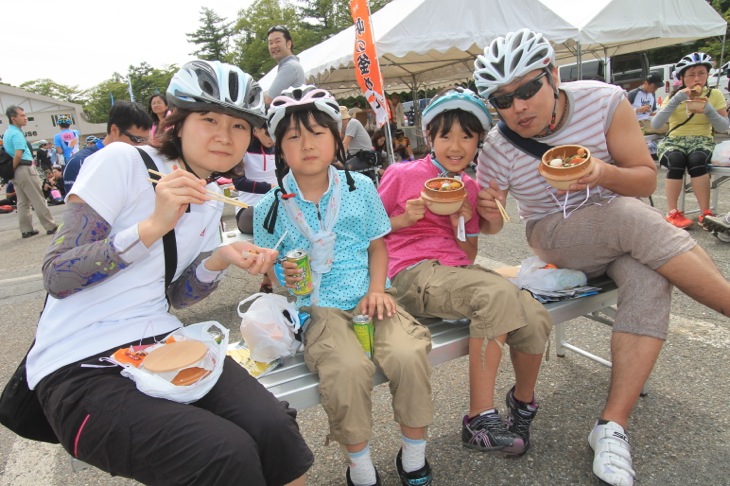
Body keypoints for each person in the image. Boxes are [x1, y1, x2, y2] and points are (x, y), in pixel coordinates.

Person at [26, 60, 313, 486]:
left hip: (161, 344)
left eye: (238, 126)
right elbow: (58, 276)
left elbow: (177, 297)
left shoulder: (212, 196)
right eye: (209, 119)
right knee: (222, 455)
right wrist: (152, 225)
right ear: (177, 122)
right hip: (78, 366)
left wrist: (220, 258)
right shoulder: (123, 162)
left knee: (275, 429)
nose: (223, 135)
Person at [473, 29, 730, 486]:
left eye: (529, 89)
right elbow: (491, 228)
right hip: (554, 235)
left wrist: (600, 171)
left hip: (622, 228)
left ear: (553, 75)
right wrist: (489, 211)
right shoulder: (497, 145)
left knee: (648, 277)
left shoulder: (604, 100)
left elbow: (645, 180)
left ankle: (611, 428)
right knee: (628, 217)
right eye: (503, 99)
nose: (519, 107)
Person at [255, 85, 433, 486]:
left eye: (318, 132)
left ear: (337, 138)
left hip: (370, 296)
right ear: (280, 148)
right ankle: (361, 467)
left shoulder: (360, 188)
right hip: (318, 308)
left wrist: (377, 289)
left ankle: (414, 453)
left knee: (408, 353)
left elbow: (378, 245)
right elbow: (273, 270)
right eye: (293, 136)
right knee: (347, 369)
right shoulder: (270, 207)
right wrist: (282, 274)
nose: (307, 144)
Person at [378, 87, 552, 457]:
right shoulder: (401, 173)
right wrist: (401, 219)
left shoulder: (470, 188)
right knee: (497, 293)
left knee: (535, 314)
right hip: (410, 273)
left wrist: (463, 220)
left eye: (466, 136)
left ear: (477, 143)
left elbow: (468, 254)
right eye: (446, 136)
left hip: (454, 274)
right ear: (430, 138)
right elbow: (362, 231)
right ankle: (479, 419)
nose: (455, 146)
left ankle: (521, 407)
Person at [650, 52, 729, 229]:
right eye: (691, 75)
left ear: (708, 75)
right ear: (682, 78)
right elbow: (656, 124)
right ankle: (672, 212)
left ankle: (706, 212)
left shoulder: (714, 95)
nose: (697, 79)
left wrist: (708, 109)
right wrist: (677, 99)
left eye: (701, 73)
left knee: (697, 160)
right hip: (674, 140)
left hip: (702, 140)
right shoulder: (673, 97)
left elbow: (724, 126)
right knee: (676, 160)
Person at [63, 101, 153, 194]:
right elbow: (78, 207)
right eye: (137, 139)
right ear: (114, 130)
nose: (142, 146)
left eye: (146, 141)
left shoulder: (140, 158)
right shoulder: (79, 162)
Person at [233, 122, 277, 293]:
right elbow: (239, 183)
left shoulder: (279, 150)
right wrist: (271, 187)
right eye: (268, 134)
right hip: (248, 210)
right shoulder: (242, 149)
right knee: (269, 216)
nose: (272, 139)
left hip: (275, 206)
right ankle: (270, 275)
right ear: (256, 129)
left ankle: (272, 275)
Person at [2, 106, 58, 238]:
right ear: (13, 117)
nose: (25, 117)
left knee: (22, 202)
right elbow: (18, 155)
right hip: (23, 168)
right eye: (22, 115)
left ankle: (26, 229)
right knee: (38, 198)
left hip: (16, 172)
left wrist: (11, 171)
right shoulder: (16, 133)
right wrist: (14, 168)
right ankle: (51, 225)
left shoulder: (8, 132)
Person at [263, 25, 305, 105]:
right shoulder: (291, 65)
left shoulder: (290, 66)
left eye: (277, 41)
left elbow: (269, 100)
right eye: (270, 43)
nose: (273, 46)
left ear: (289, 44)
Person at [339, 105, 376, 175]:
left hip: (364, 157)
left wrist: (339, 160)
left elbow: (344, 144)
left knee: (342, 168)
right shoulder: (348, 125)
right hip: (359, 156)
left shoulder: (352, 123)